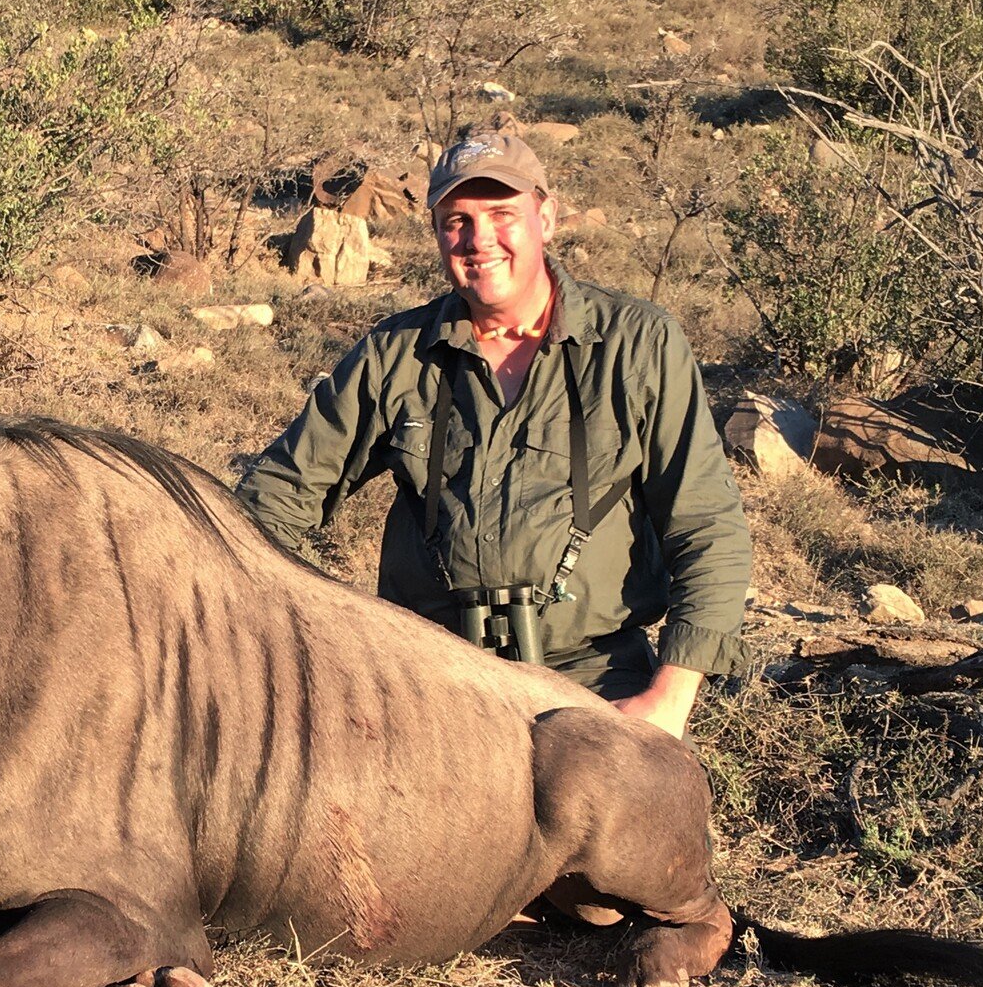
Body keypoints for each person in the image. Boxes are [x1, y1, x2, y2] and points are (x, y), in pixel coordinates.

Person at [235, 132, 752, 738]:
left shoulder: (639, 344)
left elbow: (707, 522)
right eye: (457, 220)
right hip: (429, 677)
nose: (480, 240)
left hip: (596, 678)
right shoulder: (395, 354)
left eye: (503, 215)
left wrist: (669, 696)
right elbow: (275, 498)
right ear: (435, 233)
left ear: (547, 217)